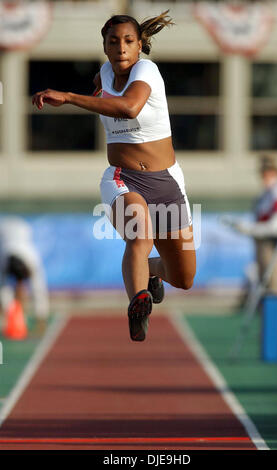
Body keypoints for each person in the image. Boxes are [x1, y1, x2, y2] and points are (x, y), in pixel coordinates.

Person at [32, 11, 196, 342]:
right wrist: (82, 100)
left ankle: (151, 272)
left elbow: (128, 108)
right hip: (123, 178)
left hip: (167, 183)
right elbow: (102, 97)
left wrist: (68, 97)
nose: (121, 48)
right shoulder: (103, 74)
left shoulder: (147, 71)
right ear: (105, 47)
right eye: (113, 42)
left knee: (184, 277)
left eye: (128, 41)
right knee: (140, 235)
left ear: (139, 47)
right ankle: (138, 304)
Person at [225, 155, 277, 295]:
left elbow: (275, 227)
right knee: (264, 286)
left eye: (268, 171)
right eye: (263, 172)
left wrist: (249, 228)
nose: (264, 175)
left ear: (275, 173)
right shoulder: (266, 194)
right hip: (263, 244)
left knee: (273, 286)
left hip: (273, 245)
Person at [0, 216, 50, 330]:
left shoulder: (32, 259)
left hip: (21, 228)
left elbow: (39, 289)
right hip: (4, 230)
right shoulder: (3, 261)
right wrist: (9, 313)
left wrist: (41, 315)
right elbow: (4, 287)